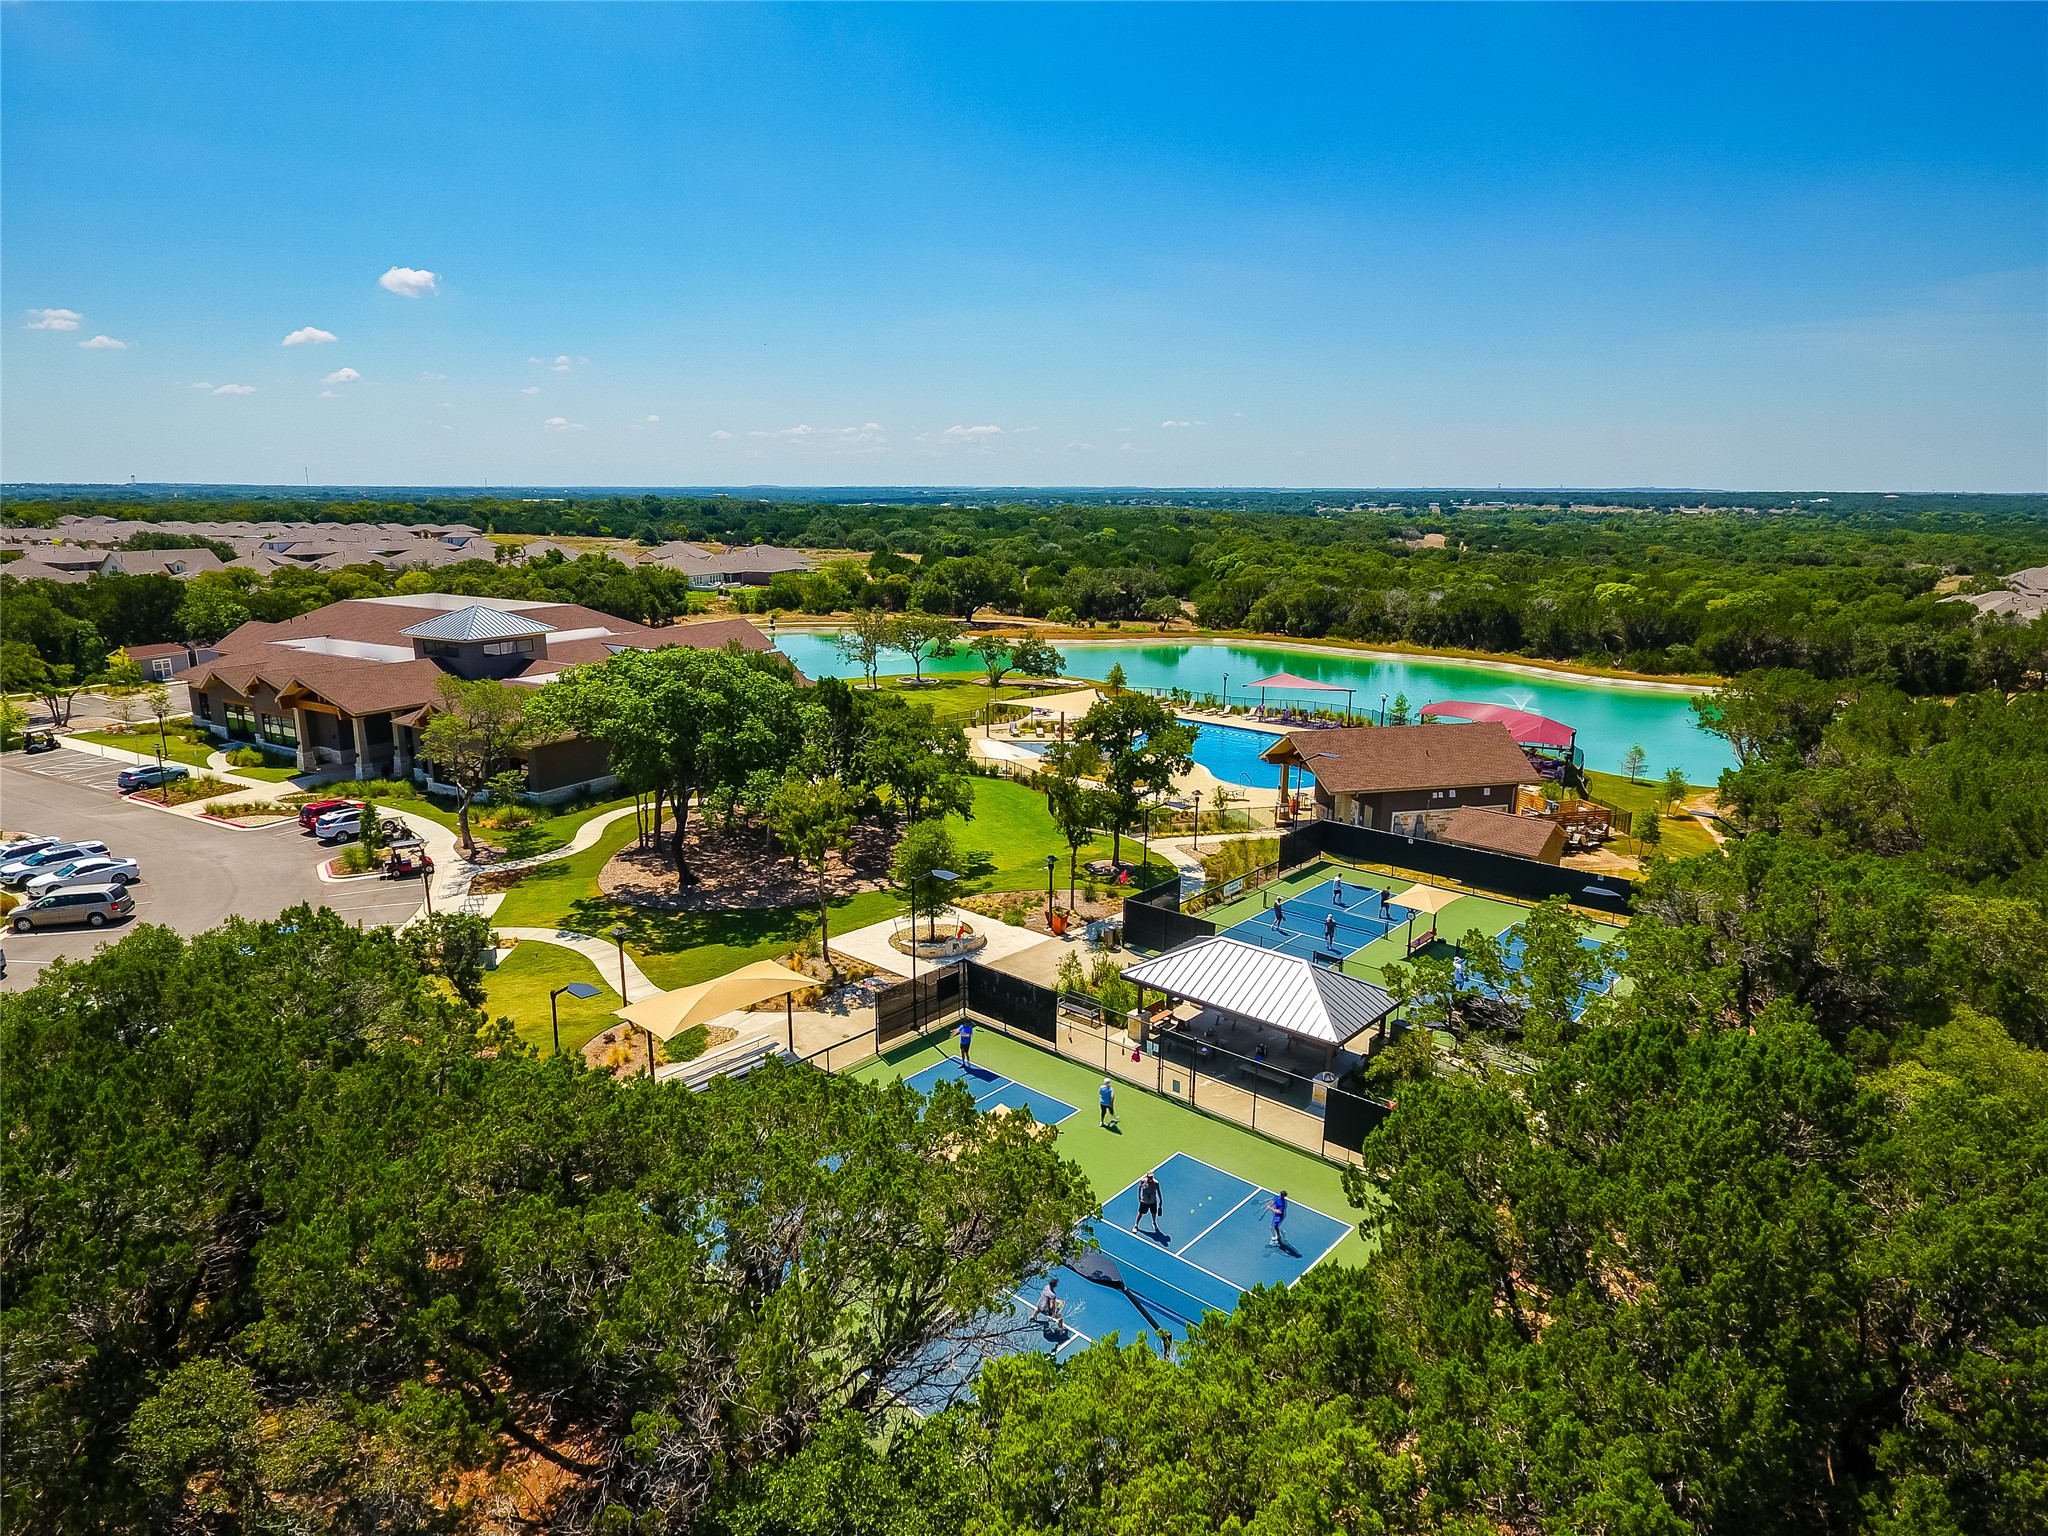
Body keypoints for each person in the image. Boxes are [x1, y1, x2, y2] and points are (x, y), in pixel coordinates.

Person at [1133, 1169, 1162, 1234]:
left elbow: (1158, 1192)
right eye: (1149, 1177)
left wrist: (1160, 1201)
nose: (1151, 1178)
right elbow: (1139, 1188)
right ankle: (1136, 1225)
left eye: (1151, 1177)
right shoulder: (1143, 1181)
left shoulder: (1156, 1183)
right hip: (1144, 1202)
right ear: (1147, 1177)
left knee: (1154, 1213)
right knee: (1140, 1213)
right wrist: (1139, 1197)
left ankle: (1154, 1222)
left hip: (1153, 1202)